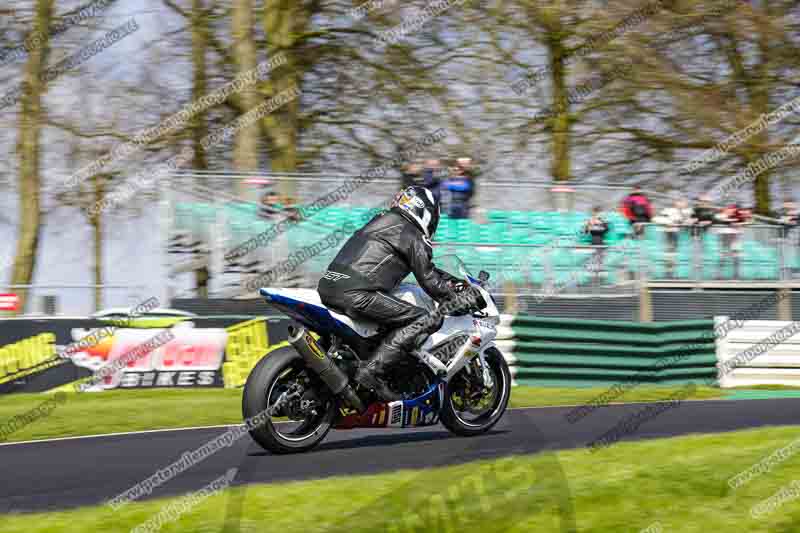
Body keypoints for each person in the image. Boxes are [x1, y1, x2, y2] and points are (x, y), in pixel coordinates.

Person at [317, 186, 469, 401]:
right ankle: (372, 371)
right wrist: (456, 299)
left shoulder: (380, 220)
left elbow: (430, 272)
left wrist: (454, 282)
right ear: (424, 212)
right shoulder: (411, 232)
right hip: (357, 293)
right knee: (427, 318)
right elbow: (429, 280)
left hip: (329, 285)